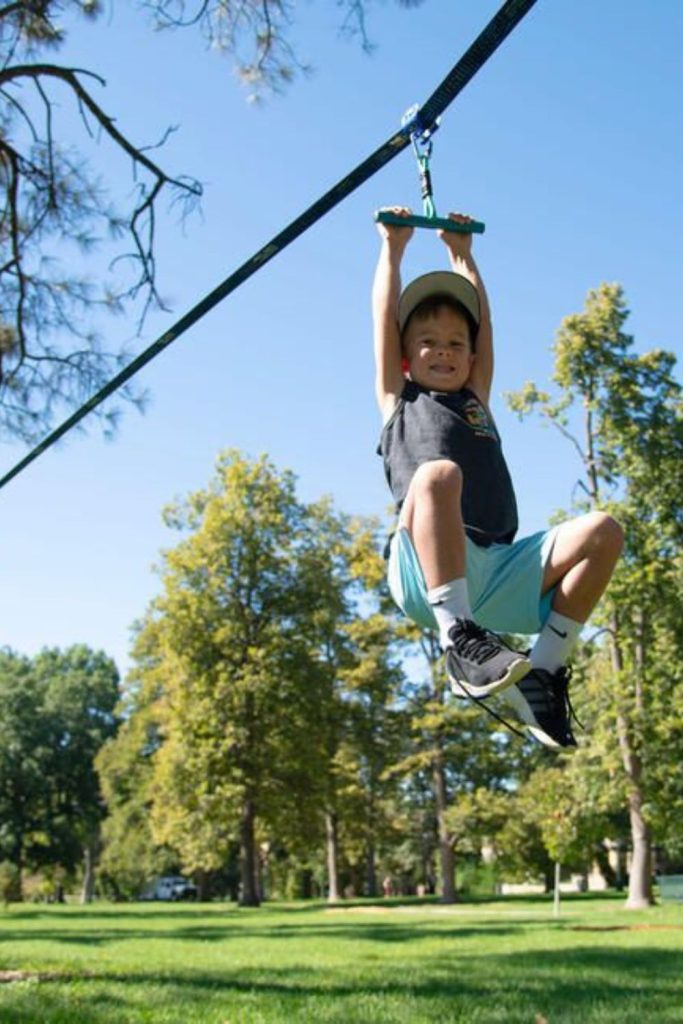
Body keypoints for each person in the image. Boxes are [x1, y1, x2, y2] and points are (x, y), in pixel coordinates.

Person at [373, 207, 623, 748]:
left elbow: (484, 328)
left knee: (603, 531)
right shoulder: (399, 399)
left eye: (456, 344)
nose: (444, 349)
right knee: (439, 475)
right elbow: (383, 322)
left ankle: (545, 671)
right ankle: (458, 638)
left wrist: (463, 256)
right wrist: (393, 249)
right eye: (428, 342)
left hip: (498, 568)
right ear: (405, 358)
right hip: (425, 570)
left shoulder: (476, 400)